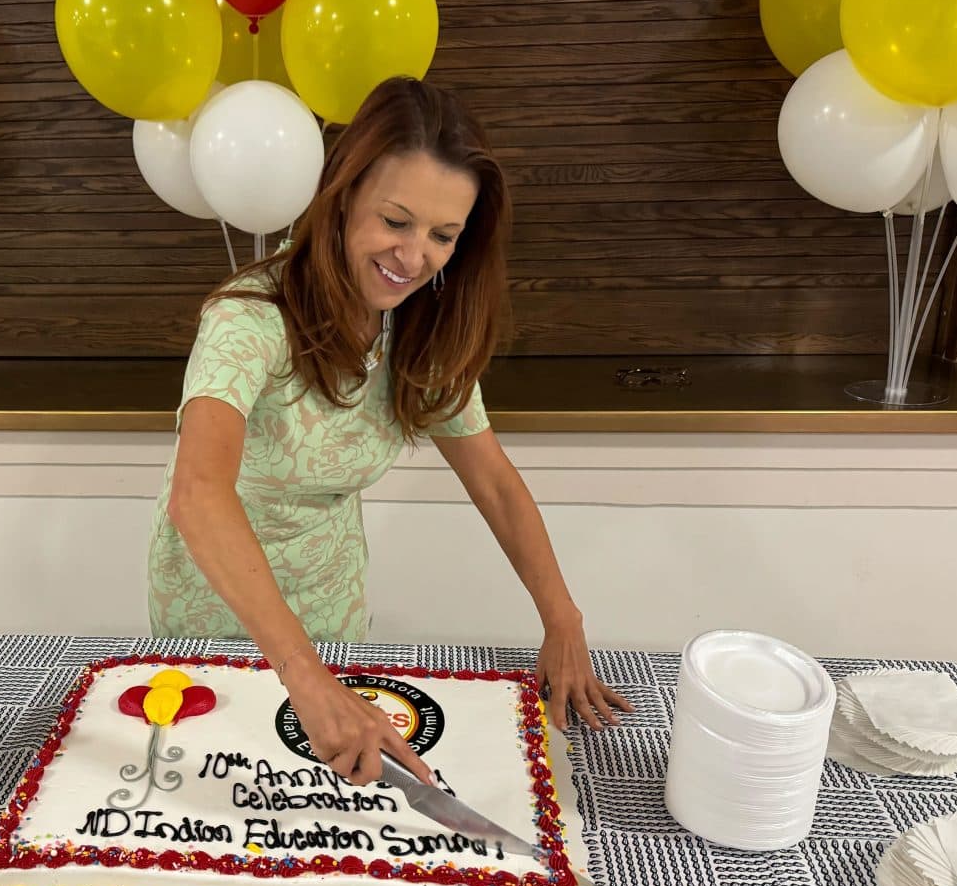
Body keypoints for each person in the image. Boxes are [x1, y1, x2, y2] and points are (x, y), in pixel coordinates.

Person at [148, 76, 632, 787]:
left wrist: (564, 619)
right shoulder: (248, 316)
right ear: (342, 199)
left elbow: (494, 484)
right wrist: (304, 679)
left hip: (332, 600)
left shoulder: (421, 332)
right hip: (213, 603)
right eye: (395, 221)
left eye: (443, 236)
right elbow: (197, 492)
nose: (414, 257)